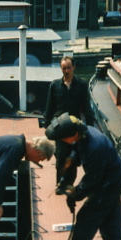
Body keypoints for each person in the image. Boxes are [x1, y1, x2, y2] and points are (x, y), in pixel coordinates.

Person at [45, 115, 121, 240]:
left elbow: (92, 179)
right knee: (110, 224)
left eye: (64, 138)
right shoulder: (86, 132)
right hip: (112, 179)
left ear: (75, 133)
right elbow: (77, 149)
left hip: (108, 184)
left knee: (86, 218)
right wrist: (70, 163)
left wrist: (75, 194)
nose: (63, 141)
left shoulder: (95, 147)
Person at [43, 56, 95, 194]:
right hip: (59, 126)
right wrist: (46, 125)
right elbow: (49, 107)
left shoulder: (82, 85)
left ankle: (69, 183)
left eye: (68, 67)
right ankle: (60, 183)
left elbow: (87, 108)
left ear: (74, 68)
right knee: (60, 155)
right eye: (63, 68)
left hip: (73, 125)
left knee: (73, 155)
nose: (66, 71)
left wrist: (90, 127)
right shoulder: (54, 85)